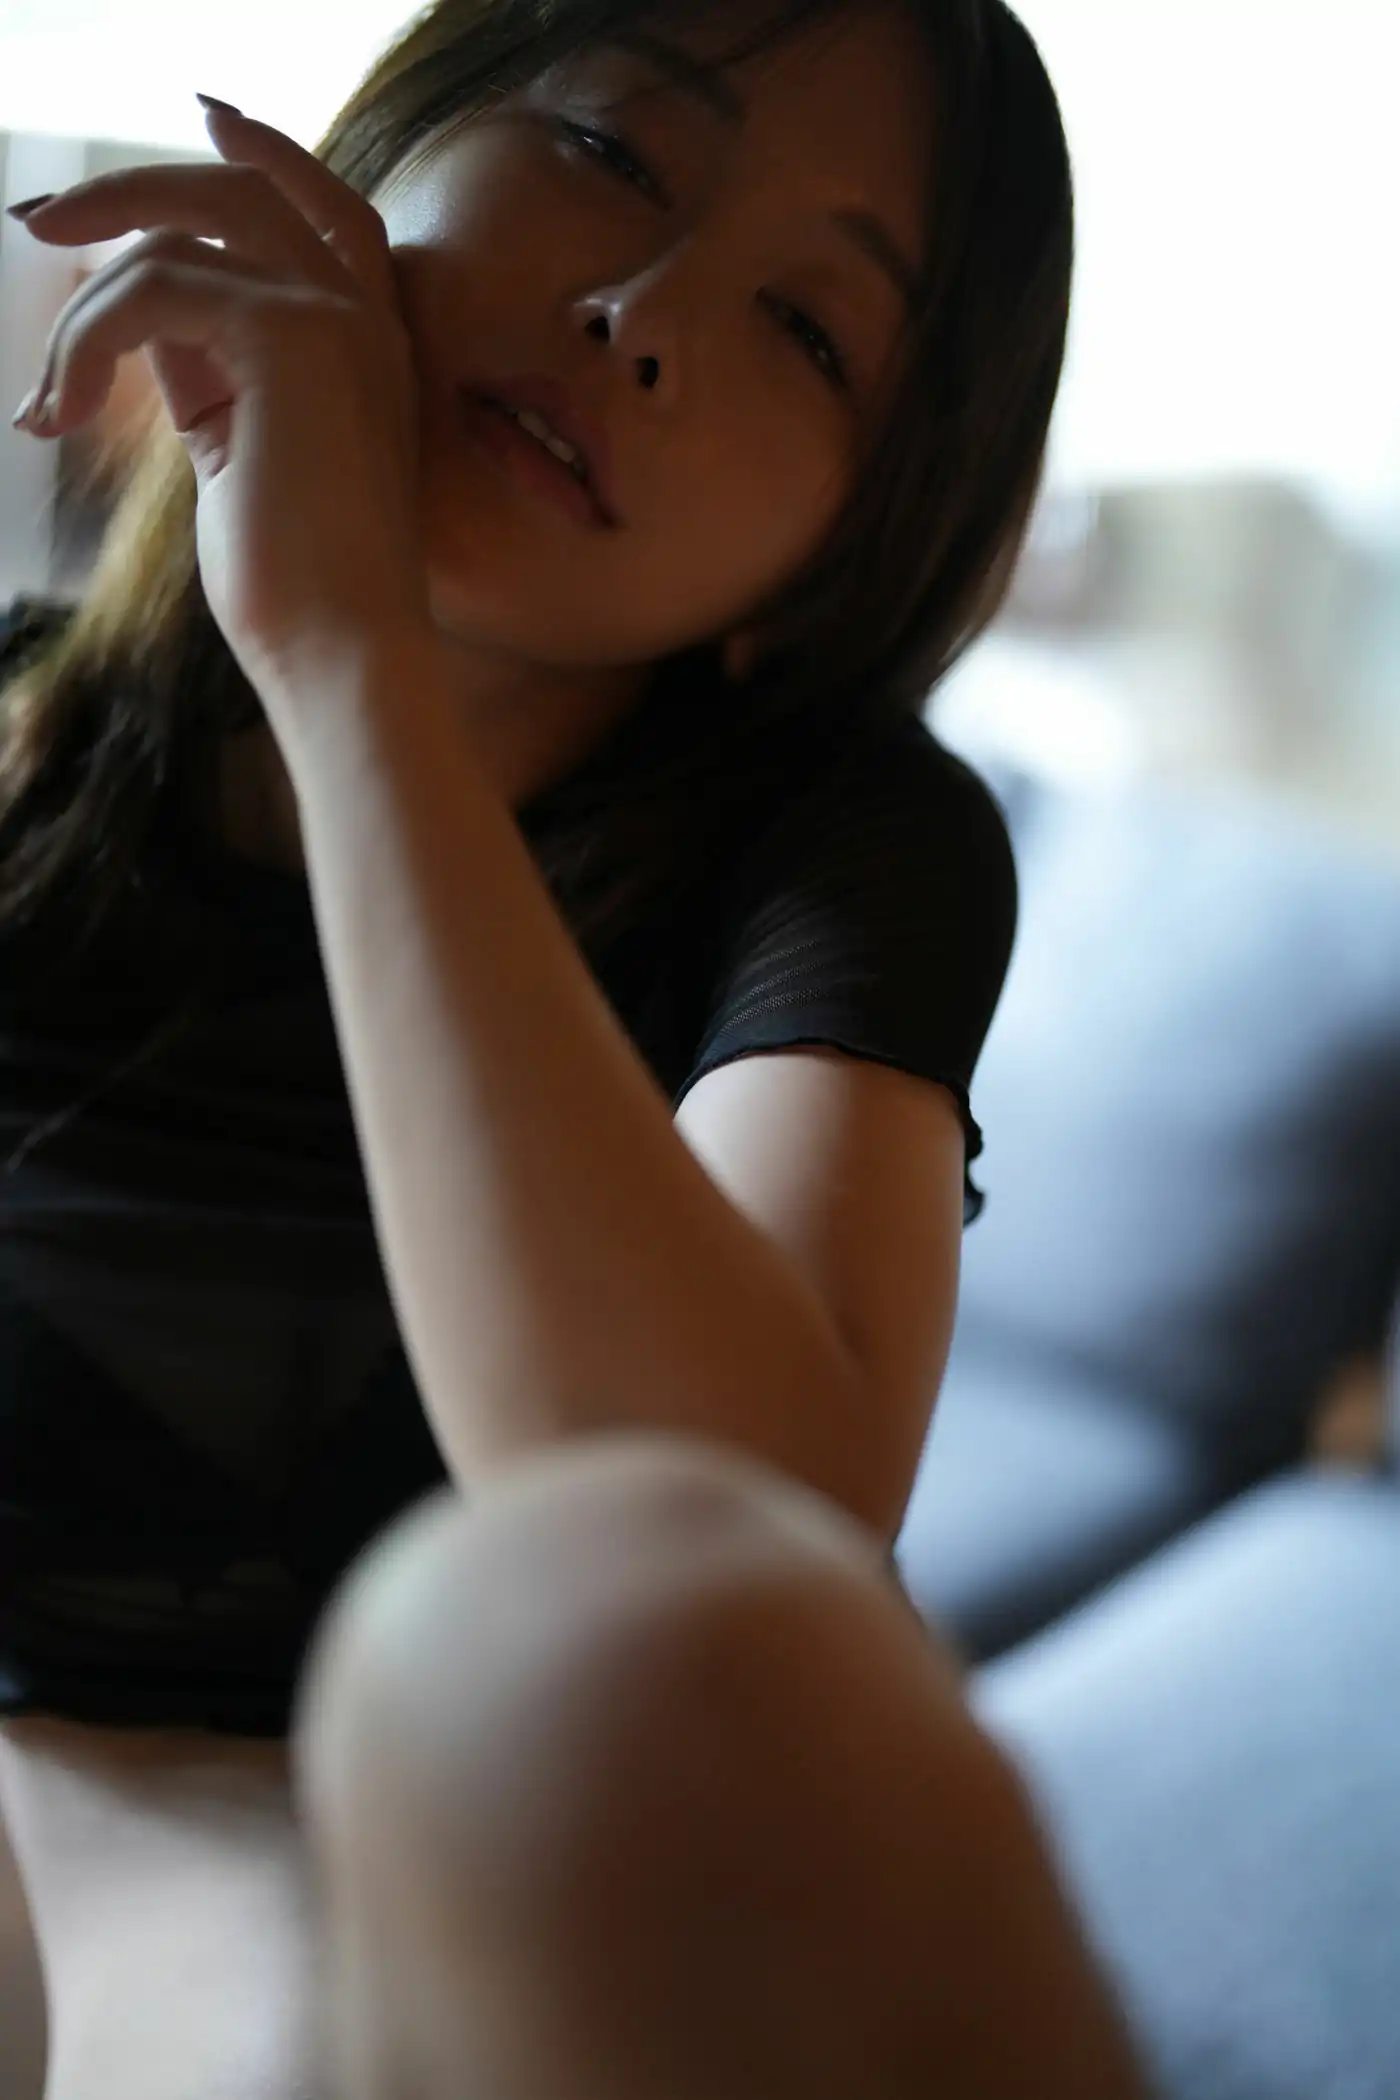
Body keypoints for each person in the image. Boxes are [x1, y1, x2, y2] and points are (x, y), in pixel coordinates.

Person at [0, 2, 1149, 2095]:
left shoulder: (852, 845)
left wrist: (345, 657)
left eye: (806, 331)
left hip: (458, 1903)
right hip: (61, 1861)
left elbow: (728, 1546)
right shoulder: (23, 744)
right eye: (611, 154)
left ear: (847, 544)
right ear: (383, 152)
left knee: (596, 1667)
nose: (645, 316)